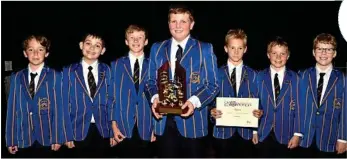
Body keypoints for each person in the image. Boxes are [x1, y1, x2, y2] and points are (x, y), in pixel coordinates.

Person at [146, 4, 219, 158]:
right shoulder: (156, 48)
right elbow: (150, 81)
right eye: (173, 21)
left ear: (191, 25)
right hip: (163, 123)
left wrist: (193, 102)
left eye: (183, 21)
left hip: (193, 123)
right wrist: (155, 98)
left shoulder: (205, 49)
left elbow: (213, 85)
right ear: (168, 24)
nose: (178, 26)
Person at [5, 35, 63, 157]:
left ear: (46, 53)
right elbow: (11, 110)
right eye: (31, 49)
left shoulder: (56, 76)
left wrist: (58, 137)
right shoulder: (16, 77)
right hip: (23, 138)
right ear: (25, 53)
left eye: (41, 49)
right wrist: (10, 140)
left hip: (47, 137)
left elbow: (59, 109)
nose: (36, 54)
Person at [210, 29, 262, 158]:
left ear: (245, 49)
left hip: (246, 133)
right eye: (232, 47)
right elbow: (209, 100)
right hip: (222, 132)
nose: (236, 51)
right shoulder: (216, 73)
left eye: (240, 48)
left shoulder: (254, 75)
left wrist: (259, 113)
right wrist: (211, 111)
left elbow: (259, 101)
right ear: (226, 48)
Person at [62, 32, 114, 158]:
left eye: (97, 46)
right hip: (76, 129)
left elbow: (113, 101)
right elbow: (62, 103)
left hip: (103, 129)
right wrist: (65, 133)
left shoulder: (108, 70)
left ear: (103, 50)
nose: (92, 48)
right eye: (88, 43)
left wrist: (113, 130)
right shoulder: (68, 71)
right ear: (81, 45)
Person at [109, 24, 155, 158]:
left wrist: (156, 128)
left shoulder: (154, 65)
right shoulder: (116, 65)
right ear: (126, 41)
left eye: (140, 37)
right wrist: (113, 127)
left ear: (146, 41)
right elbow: (111, 97)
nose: (136, 41)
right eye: (132, 37)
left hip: (147, 125)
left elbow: (158, 96)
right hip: (123, 125)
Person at [298, 33, 346, 158]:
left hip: (330, 138)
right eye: (320, 49)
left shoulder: (343, 79)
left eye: (329, 49)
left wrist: (343, 138)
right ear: (314, 52)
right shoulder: (302, 75)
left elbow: (346, 111)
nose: (324, 53)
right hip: (304, 139)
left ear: (334, 53)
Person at [254, 37, 301, 157]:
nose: (278, 57)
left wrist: (297, 134)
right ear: (268, 55)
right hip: (263, 133)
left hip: (287, 134)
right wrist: (254, 131)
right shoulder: (258, 77)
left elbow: (300, 109)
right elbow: (254, 103)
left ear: (288, 55)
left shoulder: (296, 78)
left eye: (282, 54)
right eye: (274, 53)